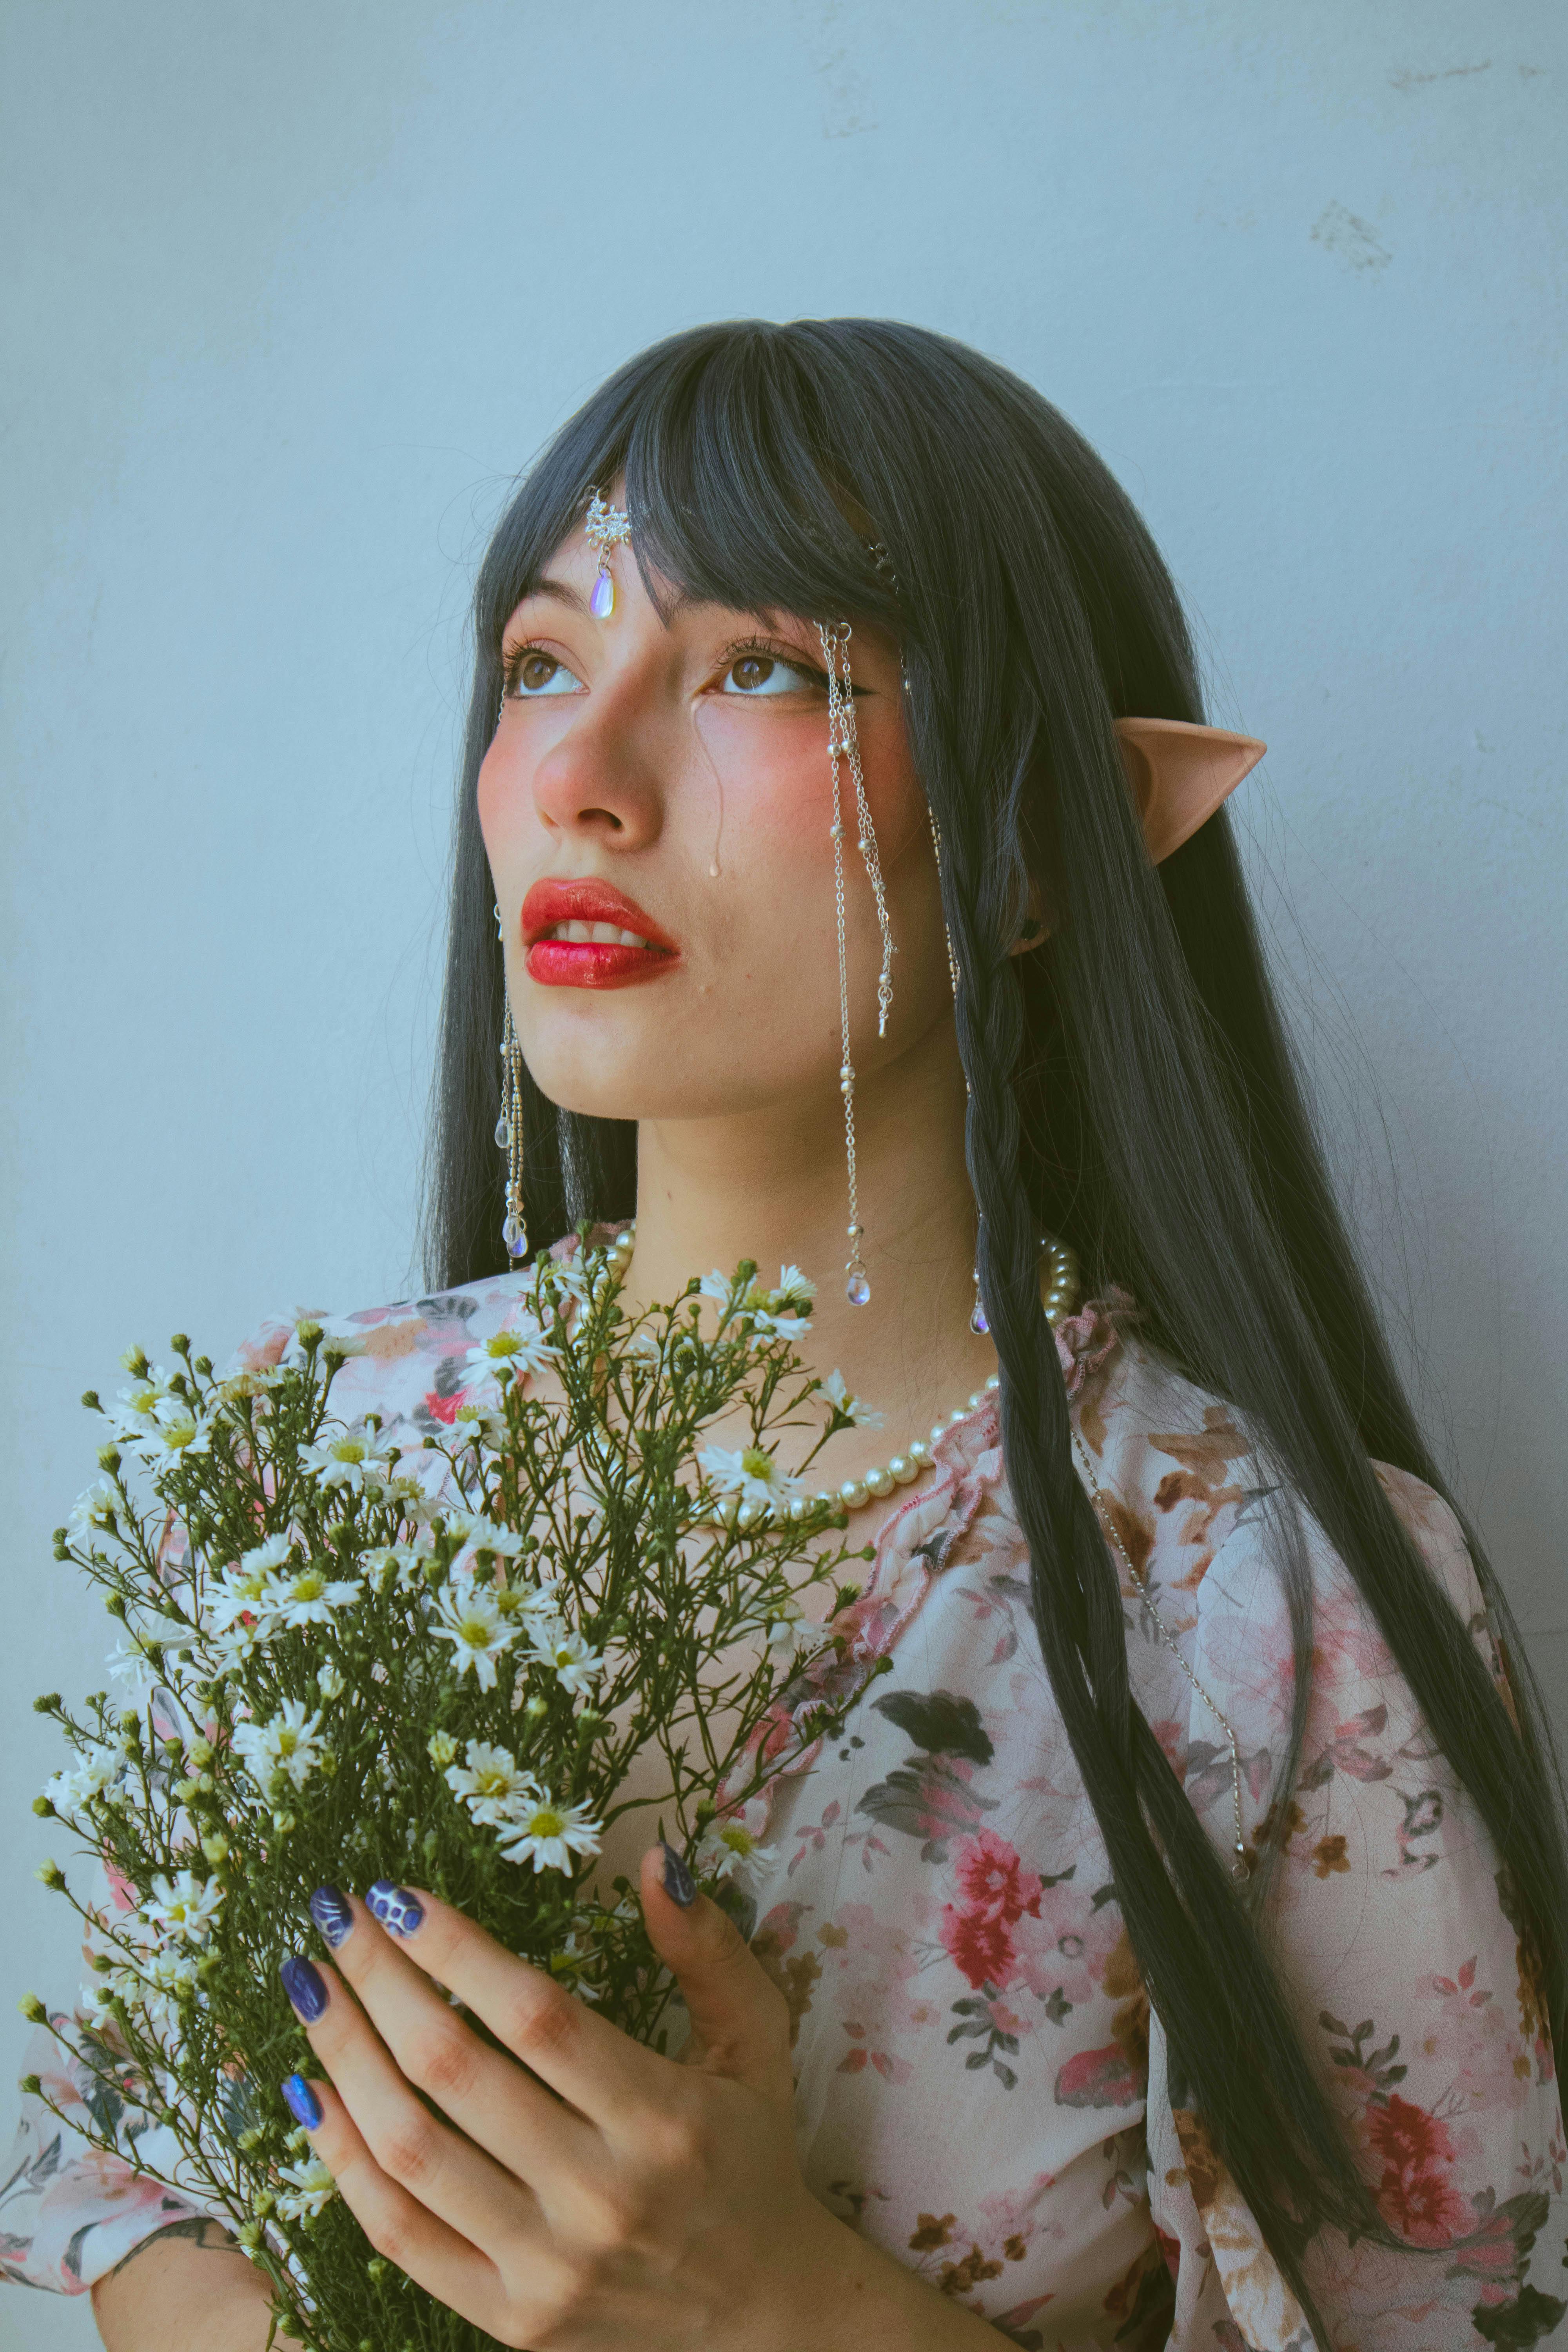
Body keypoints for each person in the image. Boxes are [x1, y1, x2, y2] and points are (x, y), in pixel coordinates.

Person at [8, 318, 1564, 2351]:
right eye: (544, 663)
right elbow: (115, 2188)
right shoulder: (309, 1456)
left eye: (763, 669)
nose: (578, 777)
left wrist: (776, 2308)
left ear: (1042, 842)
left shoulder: (1280, 1611)